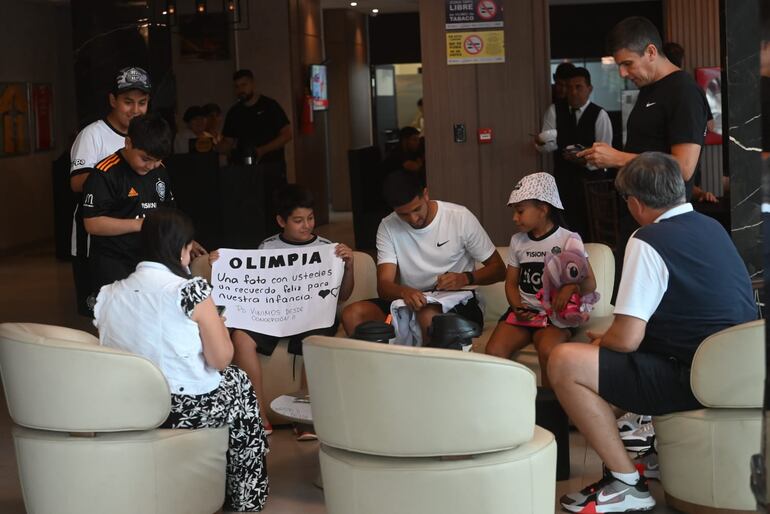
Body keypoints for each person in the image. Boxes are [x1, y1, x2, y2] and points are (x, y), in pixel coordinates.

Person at [551, 152, 756, 513]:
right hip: (739, 372)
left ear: (635, 202)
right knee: (609, 362)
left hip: (693, 378)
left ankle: (625, 482)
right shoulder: (712, 227)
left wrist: (601, 340)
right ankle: (650, 447)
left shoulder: (648, 239)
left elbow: (627, 337)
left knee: (566, 361)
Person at [93, 208, 269, 512]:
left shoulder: (107, 294)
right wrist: (220, 328)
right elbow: (221, 360)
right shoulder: (190, 290)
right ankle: (246, 496)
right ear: (181, 249)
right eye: (188, 248)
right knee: (238, 383)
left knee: (233, 384)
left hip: (125, 403)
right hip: (180, 406)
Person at [210, 185, 355, 439]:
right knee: (241, 339)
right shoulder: (267, 248)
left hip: (312, 316)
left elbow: (342, 296)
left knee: (316, 342)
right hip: (273, 315)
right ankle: (257, 414)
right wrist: (220, 266)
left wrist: (349, 265)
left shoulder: (327, 248)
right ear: (281, 221)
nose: (307, 225)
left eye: (310, 218)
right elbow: (254, 288)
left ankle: (305, 417)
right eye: (298, 220)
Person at [341, 170, 506, 344]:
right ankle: (380, 369)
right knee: (353, 314)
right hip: (409, 302)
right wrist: (405, 291)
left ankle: (429, 369)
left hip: (460, 301)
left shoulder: (459, 217)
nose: (413, 218)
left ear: (426, 194)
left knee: (428, 315)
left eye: (417, 209)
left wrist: (465, 278)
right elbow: (384, 285)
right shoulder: (387, 226)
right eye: (403, 214)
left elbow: (499, 269)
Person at [485, 173, 597, 388]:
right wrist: (516, 306)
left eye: (520, 211)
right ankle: (506, 407)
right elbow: (511, 283)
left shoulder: (567, 239)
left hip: (554, 317)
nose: (514, 218)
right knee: (494, 351)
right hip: (524, 314)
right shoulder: (518, 241)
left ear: (543, 209)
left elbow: (590, 283)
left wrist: (571, 286)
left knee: (549, 351)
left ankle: (550, 415)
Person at [578, 16, 709, 201]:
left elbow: (684, 168)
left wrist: (617, 158)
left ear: (651, 52)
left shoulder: (684, 91)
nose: (622, 73)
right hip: (638, 207)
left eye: (627, 64)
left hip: (663, 214)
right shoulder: (649, 87)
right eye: (619, 65)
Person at [81, 113, 204, 297]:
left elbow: (170, 212)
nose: (151, 166)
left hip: (151, 260)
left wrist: (185, 241)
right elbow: (92, 223)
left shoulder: (159, 171)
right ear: (128, 143)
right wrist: (139, 224)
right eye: (145, 159)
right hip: (114, 261)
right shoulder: (105, 173)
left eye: (157, 160)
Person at [69, 66, 152, 315]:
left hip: (136, 243)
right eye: (128, 102)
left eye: (142, 102)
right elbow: (76, 182)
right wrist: (118, 174)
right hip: (97, 243)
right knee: (102, 315)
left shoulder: (148, 135)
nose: (135, 110)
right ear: (113, 100)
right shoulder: (93, 134)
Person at [535, 67, 613, 237]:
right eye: (570, 88)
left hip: (592, 183)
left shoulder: (599, 115)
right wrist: (540, 142)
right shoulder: (555, 110)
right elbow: (546, 146)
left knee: (594, 230)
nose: (573, 92)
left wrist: (585, 160)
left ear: (589, 89)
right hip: (564, 181)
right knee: (564, 229)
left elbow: (607, 154)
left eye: (579, 87)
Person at [218, 69, 292, 166]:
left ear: (252, 84)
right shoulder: (234, 112)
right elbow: (228, 141)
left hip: (271, 165)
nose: (240, 90)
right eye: (237, 86)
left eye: (244, 85)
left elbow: (287, 134)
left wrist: (262, 150)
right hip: (245, 168)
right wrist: (214, 147)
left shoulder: (269, 106)